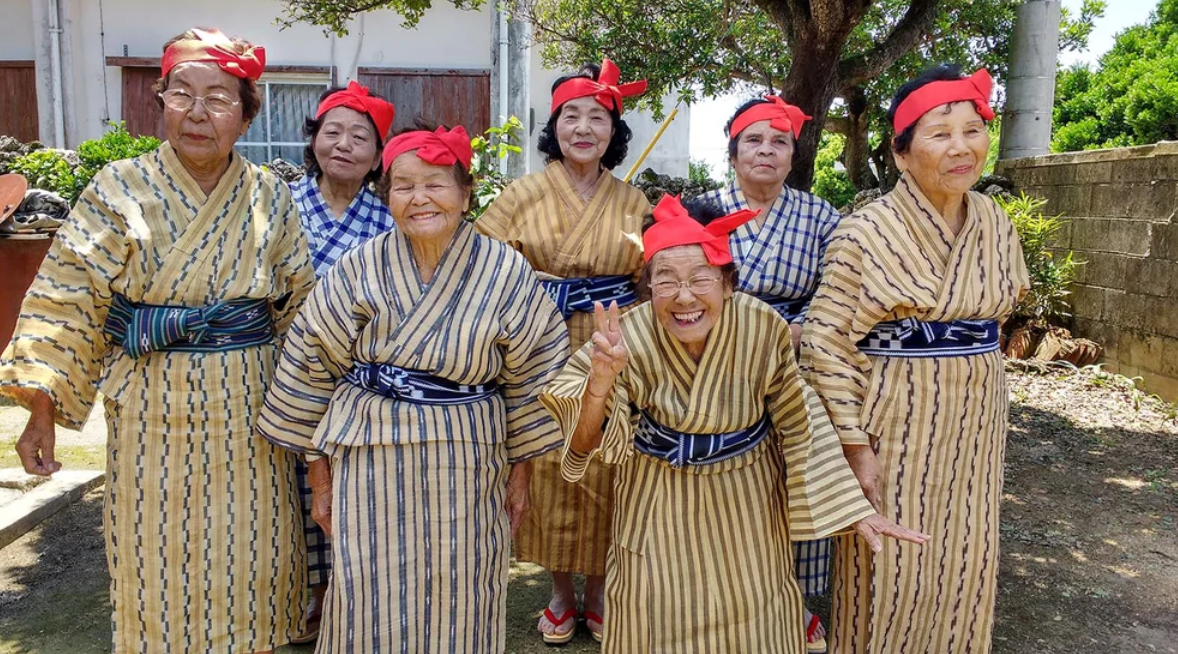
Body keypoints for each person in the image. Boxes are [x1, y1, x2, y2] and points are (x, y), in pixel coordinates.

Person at [0, 28, 314, 653]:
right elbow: (68, 296)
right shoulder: (117, 187)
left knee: (253, 555)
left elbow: (299, 306)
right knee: (154, 558)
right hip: (149, 405)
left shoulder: (270, 196)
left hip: (250, 408)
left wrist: (311, 410)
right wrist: (41, 411)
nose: (198, 113)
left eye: (220, 98)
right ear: (161, 98)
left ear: (246, 114)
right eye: (182, 94)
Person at [541, 194, 929, 653]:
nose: (684, 297)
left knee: (757, 608)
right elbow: (584, 443)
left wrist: (850, 502)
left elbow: (798, 413)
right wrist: (601, 383)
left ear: (728, 284)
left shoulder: (763, 326)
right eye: (666, 280)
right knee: (651, 611)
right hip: (656, 493)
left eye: (701, 279)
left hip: (746, 494)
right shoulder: (627, 333)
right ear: (648, 287)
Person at [255, 122, 571, 653]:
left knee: (465, 585)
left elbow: (530, 379)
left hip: (470, 455)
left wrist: (521, 474)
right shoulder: (360, 266)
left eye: (435, 183)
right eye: (403, 185)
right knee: (365, 589)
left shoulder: (506, 271)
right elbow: (313, 362)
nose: (419, 198)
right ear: (387, 196)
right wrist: (320, 474)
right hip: (369, 453)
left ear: (465, 193)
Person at [801, 65, 1030, 654]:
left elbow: (997, 319)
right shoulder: (863, 232)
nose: (962, 147)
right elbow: (825, 341)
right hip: (893, 420)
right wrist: (853, 444)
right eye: (940, 132)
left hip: (976, 416)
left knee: (969, 553)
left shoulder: (996, 224)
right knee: (888, 561)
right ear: (902, 156)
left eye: (973, 129)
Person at [475, 57, 650, 643]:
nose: (583, 128)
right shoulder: (521, 194)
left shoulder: (634, 200)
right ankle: (558, 590)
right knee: (548, 457)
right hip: (541, 339)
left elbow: (652, 276)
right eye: (570, 116)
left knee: (608, 454)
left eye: (597, 118)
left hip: (612, 341)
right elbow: (480, 264)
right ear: (553, 126)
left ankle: (598, 589)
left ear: (613, 131)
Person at [700, 94, 843, 652]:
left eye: (778, 141)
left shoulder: (820, 216)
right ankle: (722, 594)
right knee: (723, 475)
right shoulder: (702, 207)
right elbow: (677, 280)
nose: (765, 151)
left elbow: (837, 289)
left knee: (794, 476)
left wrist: (799, 327)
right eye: (753, 141)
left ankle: (795, 599)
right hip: (716, 357)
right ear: (733, 152)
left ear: (792, 154)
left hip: (793, 357)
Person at [286, 80, 397, 644]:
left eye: (361, 137)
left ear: (379, 154)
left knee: (351, 489)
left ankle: (342, 594)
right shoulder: (281, 204)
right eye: (333, 132)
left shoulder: (390, 214)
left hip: (360, 374)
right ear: (314, 140)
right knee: (292, 486)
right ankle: (300, 591)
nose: (345, 145)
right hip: (290, 366)